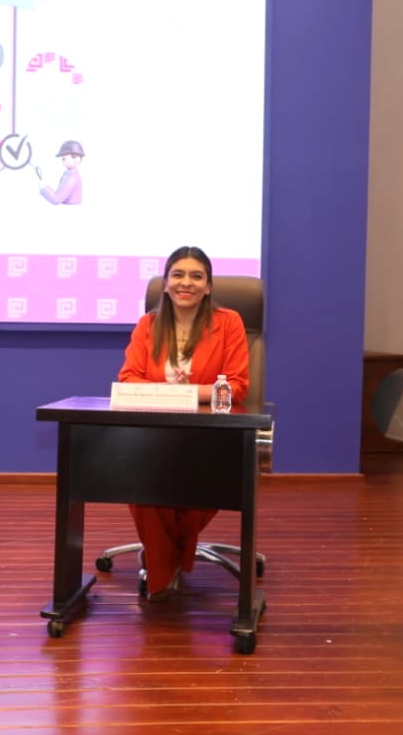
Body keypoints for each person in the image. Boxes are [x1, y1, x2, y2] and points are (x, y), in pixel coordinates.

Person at [116, 246, 250, 600]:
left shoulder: (229, 323)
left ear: (208, 286)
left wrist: (172, 393)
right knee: (145, 484)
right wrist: (198, 391)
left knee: (201, 485)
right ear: (165, 283)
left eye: (196, 276)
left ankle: (161, 563)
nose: (186, 283)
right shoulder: (148, 325)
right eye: (177, 274)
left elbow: (235, 386)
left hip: (210, 435)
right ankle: (168, 566)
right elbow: (128, 379)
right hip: (155, 435)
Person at [36, 140, 85, 205]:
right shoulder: (69, 174)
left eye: (64, 159)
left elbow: (57, 199)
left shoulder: (72, 179)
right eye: (62, 158)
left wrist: (43, 186)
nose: (62, 161)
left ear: (77, 159)